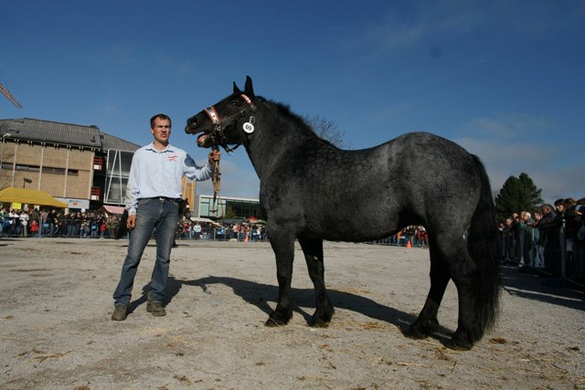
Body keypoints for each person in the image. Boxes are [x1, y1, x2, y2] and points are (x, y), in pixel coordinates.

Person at [111, 113, 220, 321]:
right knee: (133, 256)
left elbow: (198, 174)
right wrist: (131, 211)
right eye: (160, 126)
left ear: (170, 129)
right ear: (152, 130)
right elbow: (133, 184)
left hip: (171, 207)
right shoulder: (141, 154)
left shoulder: (179, 154)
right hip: (145, 206)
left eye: (167, 126)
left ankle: (156, 299)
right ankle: (122, 301)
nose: (164, 130)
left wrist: (211, 163)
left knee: (163, 257)